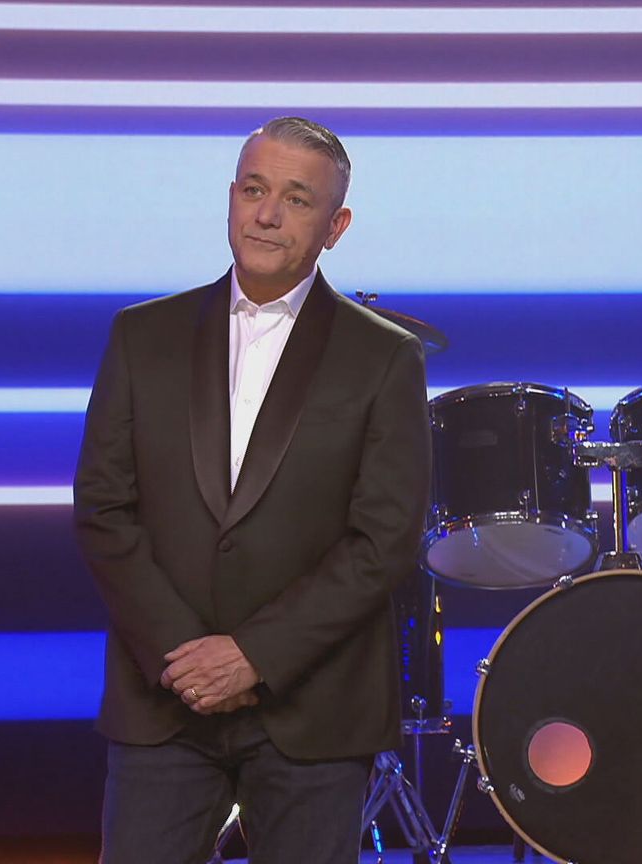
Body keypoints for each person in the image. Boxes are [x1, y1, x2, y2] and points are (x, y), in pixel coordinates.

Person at [73, 116, 431, 864]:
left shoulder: (384, 357)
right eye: (254, 190)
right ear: (231, 197)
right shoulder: (141, 335)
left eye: (296, 199)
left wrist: (255, 655)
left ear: (336, 227)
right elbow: (105, 510)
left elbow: (383, 540)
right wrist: (184, 658)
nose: (267, 214)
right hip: (162, 698)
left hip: (314, 709)